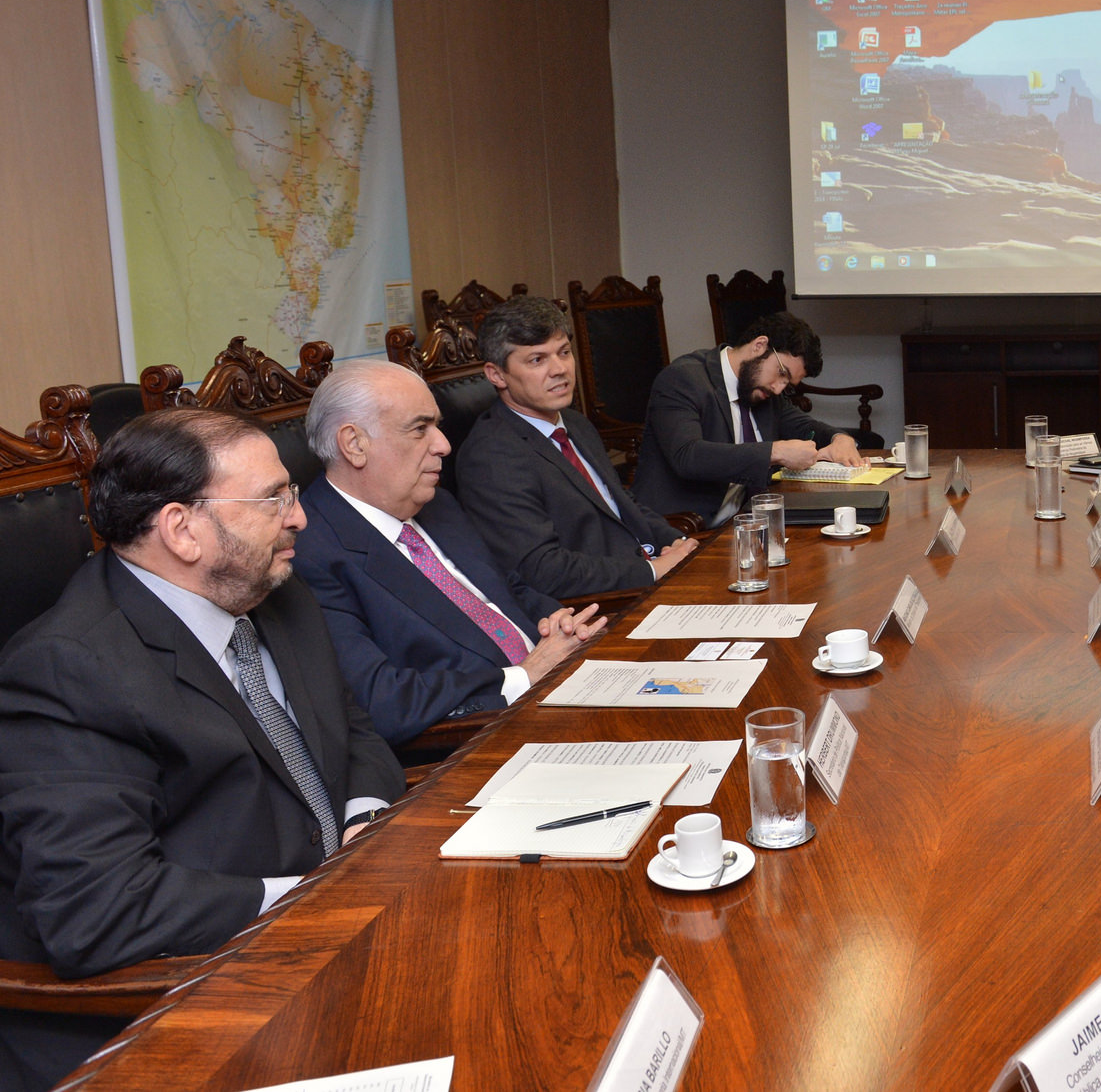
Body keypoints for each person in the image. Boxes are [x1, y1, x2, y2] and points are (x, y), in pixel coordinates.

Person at [0, 410, 404, 1090]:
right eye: (273, 498)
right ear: (182, 529)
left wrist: (363, 817)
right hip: (182, 1004)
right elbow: (97, 909)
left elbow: (352, 728)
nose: (299, 517)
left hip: (337, 940)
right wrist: (315, 896)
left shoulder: (274, 591)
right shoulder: (68, 669)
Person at [294, 361, 608, 746]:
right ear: (355, 444)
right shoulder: (309, 553)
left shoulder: (437, 503)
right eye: (420, 429)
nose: (443, 444)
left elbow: (507, 590)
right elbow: (382, 701)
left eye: (437, 426)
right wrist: (525, 677)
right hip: (483, 737)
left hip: (564, 684)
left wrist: (557, 622)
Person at [455, 296, 696, 599]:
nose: (560, 369)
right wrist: (652, 571)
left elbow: (621, 504)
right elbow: (542, 570)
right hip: (604, 602)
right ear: (496, 374)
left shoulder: (574, 422)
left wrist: (679, 544)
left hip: (647, 573)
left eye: (564, 352)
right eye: (537, 360)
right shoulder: (490, 457)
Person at [632, 311, 865, 521]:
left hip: (743, 522)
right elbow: (688, 456)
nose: (778, 389)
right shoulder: (683, 379)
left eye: (787, 384)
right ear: (759, 345)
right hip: (681, 529)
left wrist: (839, 438)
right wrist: (776, 452)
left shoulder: (761, 390)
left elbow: (804, 426)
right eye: (781, 373)